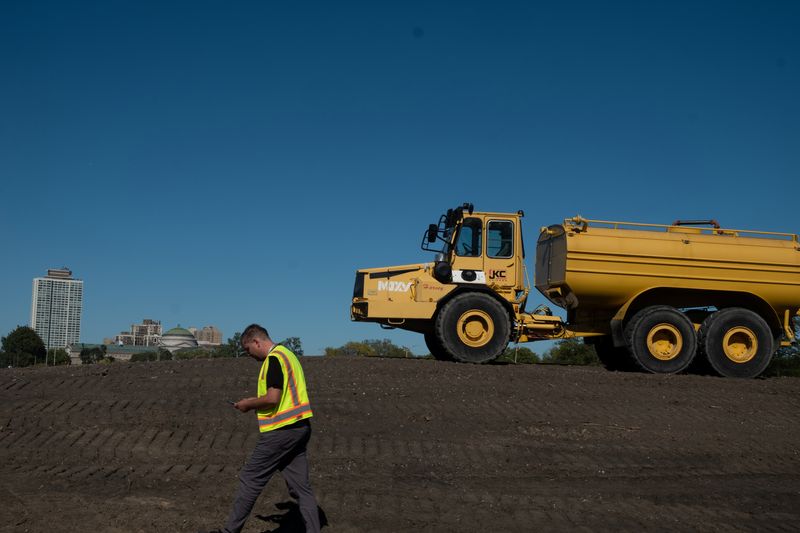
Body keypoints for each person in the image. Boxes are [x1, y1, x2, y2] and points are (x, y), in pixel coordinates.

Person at [202, 324, 321, 533]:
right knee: (301, 488)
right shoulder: (288, 355)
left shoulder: (274, 359)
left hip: (282, 430)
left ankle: (229, 532)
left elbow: (273, 398)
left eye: (248, 350)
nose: (249, 355)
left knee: (250, 478)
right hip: (300, 427)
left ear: (257, 342)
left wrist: (248, 404)